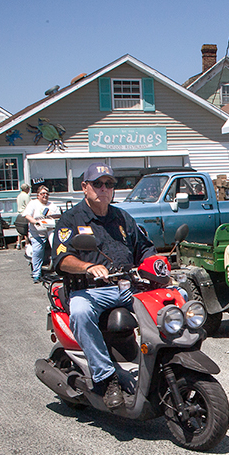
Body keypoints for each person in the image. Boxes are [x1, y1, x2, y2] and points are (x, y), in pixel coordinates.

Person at [50, 162, 154, 410]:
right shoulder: (71, 220)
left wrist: (157, 266)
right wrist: (87, 267)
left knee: (173, 297)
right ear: (85, 187)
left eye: (109, 184)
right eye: (97, 183)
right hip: (89, 290)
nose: (103, 188)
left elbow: (145, 248)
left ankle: (165, 360)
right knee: (80, 312)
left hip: (127, 286)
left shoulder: (122, 217)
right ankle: (106, 379)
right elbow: (62, 259)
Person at [22, 185, 51, 281]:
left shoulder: (52, 205)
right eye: (42, 194)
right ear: (38, 195)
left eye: (47, 194)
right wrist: (35, 222)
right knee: (38, 250)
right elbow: (26, 215)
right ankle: (36, 274)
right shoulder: (33, 203)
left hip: (50, 231)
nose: (45, 196)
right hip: (37, 233)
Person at [14, 183, 32, 249]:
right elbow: (29, 205)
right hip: (25, 214)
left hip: (19, 214)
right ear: (26, 189)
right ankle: (27, 244)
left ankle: (18, 243)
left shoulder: (19, 196)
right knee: (26, 229)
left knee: (20, 231)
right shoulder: (26, 196)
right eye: (28, 188)